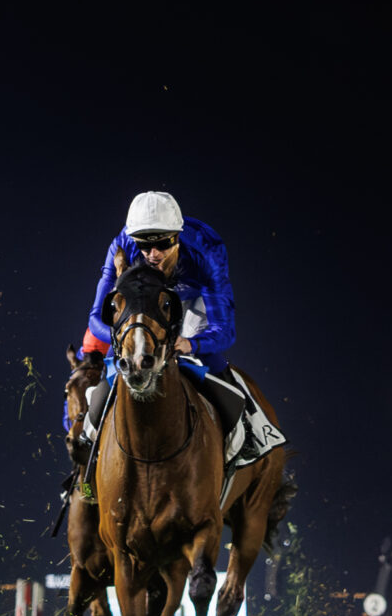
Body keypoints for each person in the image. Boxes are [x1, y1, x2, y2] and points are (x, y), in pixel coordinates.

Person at [61, 190, 285, 473]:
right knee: (102, 361)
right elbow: (95, 318)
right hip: (141, 306)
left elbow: (225, 330)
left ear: (177, 236)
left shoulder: (207, 250)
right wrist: (124, 337)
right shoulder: (121, 245)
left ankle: (252, 431)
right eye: (144, 244)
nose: (153, 254)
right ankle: (85, 456)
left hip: (191, 301)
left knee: (212, 362)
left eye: (163, 244)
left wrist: (191, 345)